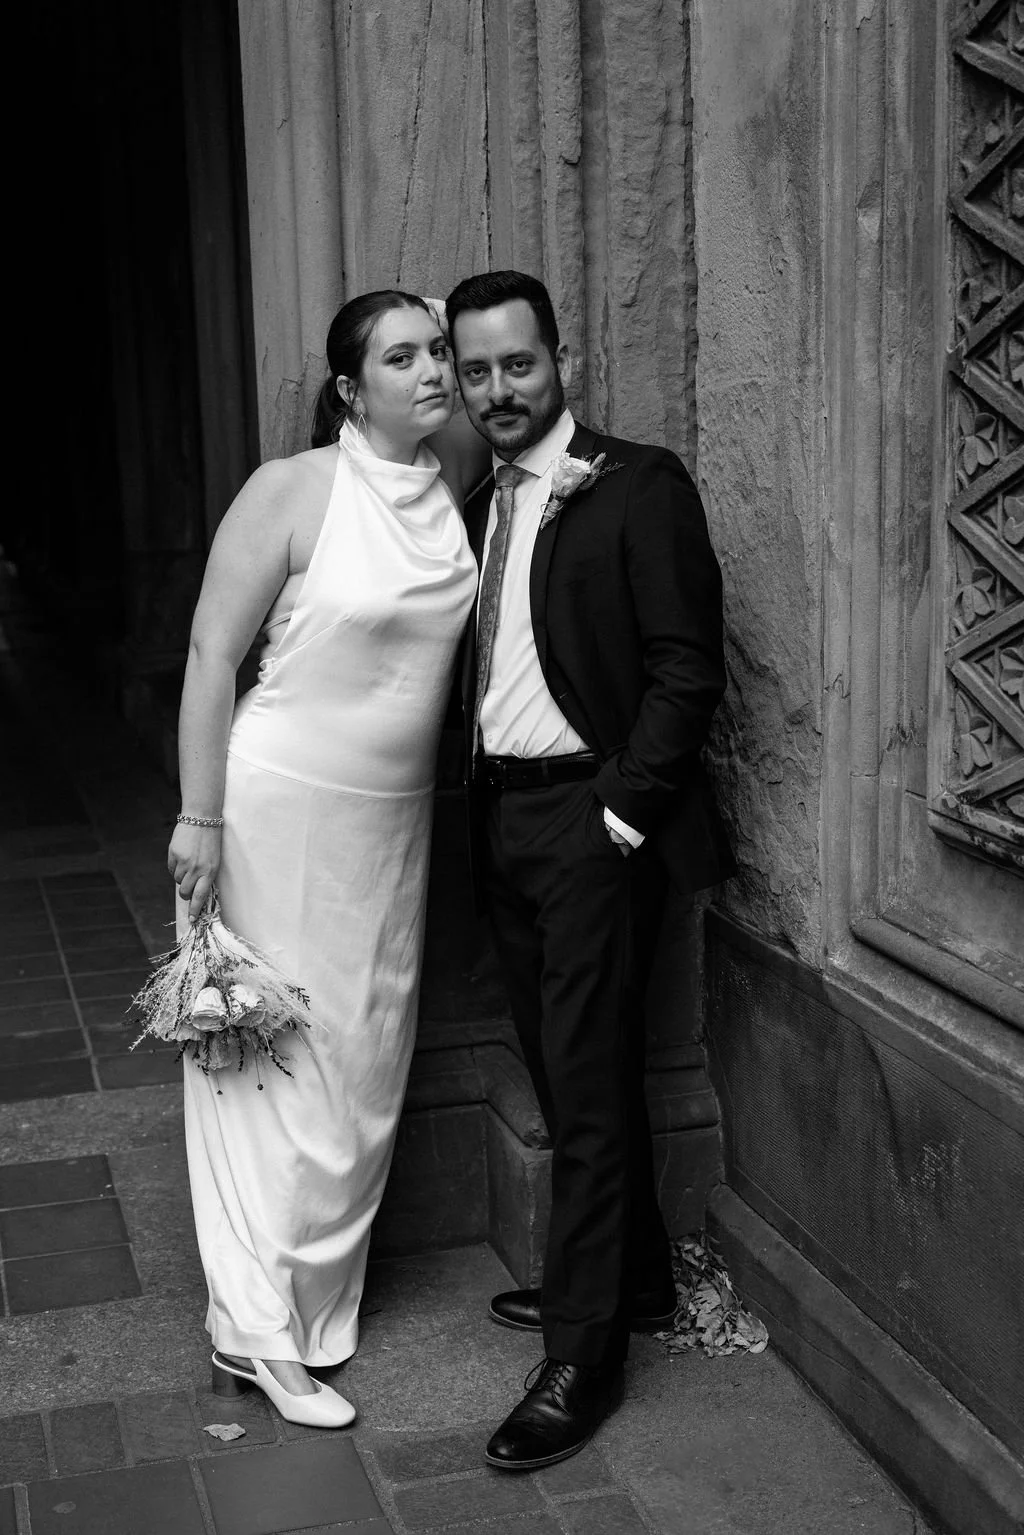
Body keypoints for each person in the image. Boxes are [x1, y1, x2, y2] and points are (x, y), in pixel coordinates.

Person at [166, 290, 481, 1427]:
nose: (432, 369)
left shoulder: (448, 485)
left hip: (392, 823)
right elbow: (211, 653)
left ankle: (310, 1305)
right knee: (264, 1051)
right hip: (277, 806)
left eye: (438, 349)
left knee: (361, 1056)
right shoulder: (291, 489)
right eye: (401, 356)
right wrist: (198, 815)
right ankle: (252, 1330)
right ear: (350, 390)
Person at [445, 269, 734, 1469]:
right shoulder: (473, 501)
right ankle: (637, 1284)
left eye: (519, 364)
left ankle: (584, 1352)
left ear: (562, 359)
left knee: (591, 1086)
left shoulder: (637, 483)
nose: (499, 390)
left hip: (591, 825)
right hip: (501, 824)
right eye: (476, 372)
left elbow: (687, 667)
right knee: (570, 1074)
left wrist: (615, 817)